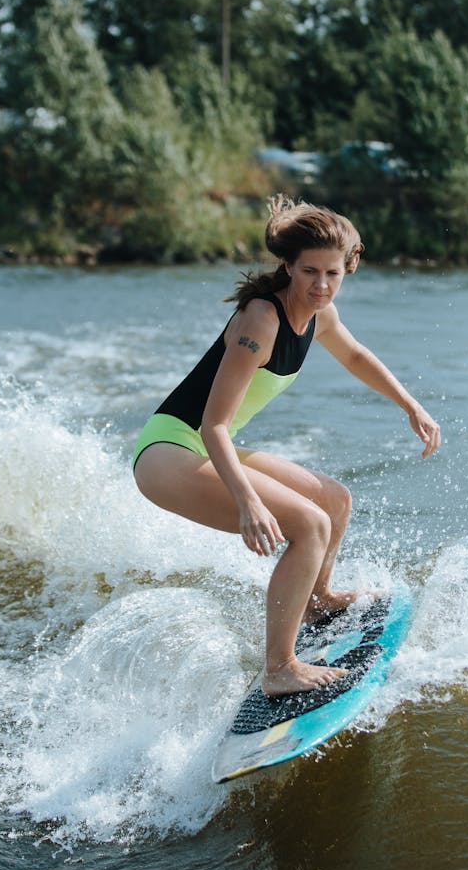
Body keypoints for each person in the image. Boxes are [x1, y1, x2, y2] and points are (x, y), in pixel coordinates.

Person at [133, 196, 441, 696]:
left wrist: (411, 405)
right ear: (289, 267)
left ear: (349, 268)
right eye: (309, 272)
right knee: (310, 524)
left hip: (206, 445)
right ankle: (280, 667)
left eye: (333, 274)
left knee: (335, 501)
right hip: (170, 450)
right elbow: (213, 425)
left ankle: (316, 600)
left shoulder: (320, 314)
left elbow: (357, 357)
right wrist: (247, 501)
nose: (321, 285)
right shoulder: (262, 319)